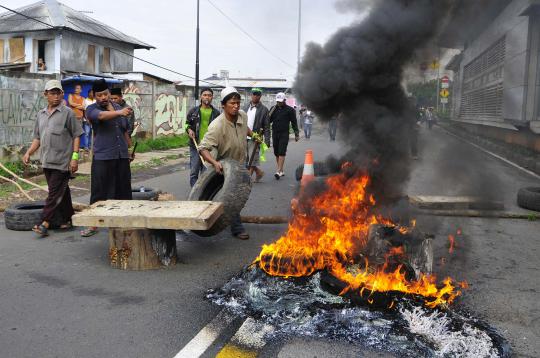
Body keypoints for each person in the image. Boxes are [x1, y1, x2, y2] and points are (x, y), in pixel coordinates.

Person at [22, 80, 83, 237]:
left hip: (62, 161)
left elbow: (77, 135)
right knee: (61, 191)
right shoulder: (40, 115)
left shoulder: (68, 113)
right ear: (46, 95)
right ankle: (67, 218)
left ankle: (44, 223)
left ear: (62, 94)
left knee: (54, 193)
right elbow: (38, 138)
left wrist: (75, 158)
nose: (56, 96)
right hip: (47, 161)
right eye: (52, 93)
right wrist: (29, 152)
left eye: (58, 93)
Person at [80, 79, 134, 237]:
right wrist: (119, 113)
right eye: (99, 95)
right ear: (94, 96)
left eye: (105, 94)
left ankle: (125, 223)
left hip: (121, 155)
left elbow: (124, 130)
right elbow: (101, 116)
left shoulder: (119, 107)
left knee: (123, 190)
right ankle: (93, 224)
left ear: (109, 93)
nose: (103, 97)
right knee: (99, 192)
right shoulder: (91, 109)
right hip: (103, 156)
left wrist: (128, 148)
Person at [198, 86, 253, 240]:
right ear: (223, 105)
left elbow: (245, 128)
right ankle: (235, 227)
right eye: (232, 103)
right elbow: (202, 149)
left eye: (238, 103)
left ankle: (221, 220)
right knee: (227, 196)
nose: (236, 106)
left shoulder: (242, 115)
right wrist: (214, 163)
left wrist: (253, 134)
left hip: (239, 163)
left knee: (233, 196)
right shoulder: (216, 126)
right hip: (221, 166)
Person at [185, 87, 221, 187]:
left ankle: (202, 191)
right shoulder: (193, 111)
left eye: (209, 95)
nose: (207, 97)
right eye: (205, 95)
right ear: (201, 96)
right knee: (194, 171)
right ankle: (194, 191)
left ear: (212, 97)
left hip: (209, 147)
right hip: (195, 145)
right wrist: (189, 130)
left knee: (206, 170)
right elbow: (186, 124)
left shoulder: (216, 113)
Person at [268, 92, 299, 180]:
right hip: (275, 133)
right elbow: (268, 121)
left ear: (284, 100)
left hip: (284, 133)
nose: (279, 103)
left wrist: (296, 134)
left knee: (282, 151)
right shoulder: (273, 109)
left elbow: (294, 122)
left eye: (281, 101)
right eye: (277, 101)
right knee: (276, 152)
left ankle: (278, 170)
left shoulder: (290, 110)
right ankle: (280, 169)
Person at [243, 88, 270, 182]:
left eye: (258, 94)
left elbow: (266, 126)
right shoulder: (245, 107)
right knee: (246, 159)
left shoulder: (264, 110)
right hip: (243, 136)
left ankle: (247, 180)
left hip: (255, 138)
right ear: (251, 95)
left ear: (260, 96)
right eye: (254, 94)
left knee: (252, 159)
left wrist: (267, 141)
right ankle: (259, 172)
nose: (255, 96)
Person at [68, 84, 86, 148]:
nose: (76, 90)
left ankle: (76, 149)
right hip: (72, 117)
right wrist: (79, 105)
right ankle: (70, 147)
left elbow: (84, 107)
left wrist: (74, 105)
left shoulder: (83, 98)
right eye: (75, 88)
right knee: (70, 134)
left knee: (78, 134)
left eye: (78, 88)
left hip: (79, 118)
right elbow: (70, 103)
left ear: (81, 90)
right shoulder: (71, 95)